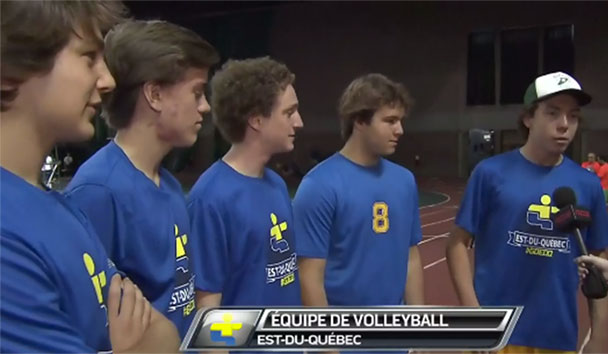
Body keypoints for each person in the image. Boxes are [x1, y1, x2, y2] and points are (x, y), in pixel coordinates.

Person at [1, 1, 179, 352]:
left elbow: (164, 334)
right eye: (88, 57)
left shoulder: (61, 208)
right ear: (12, 69)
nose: (108, 80)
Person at [64, 19, 219, 336]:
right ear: (155, 95)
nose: (205, 107)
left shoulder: (170, 184)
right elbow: (86, 324)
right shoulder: (97, 192)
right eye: (197, 92)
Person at [446, 72, 608, 353]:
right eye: (552, 113)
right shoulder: (490, 173)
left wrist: (599, 334)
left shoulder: (587, 184)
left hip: (557, 335)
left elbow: (598, 260)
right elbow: (456, 244)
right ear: (528, 118)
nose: (564, 125)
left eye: (572, 116)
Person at [293, 73, 424, 310]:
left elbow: (411, 258)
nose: (400, 130)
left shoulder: (404, 180)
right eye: (390, 121)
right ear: (360, 121)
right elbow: (309, 277)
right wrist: (327, 344)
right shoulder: (319, 185)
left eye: (400, 121)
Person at [187, 57, 303, 309]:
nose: (299, 122)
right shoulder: (210, 199)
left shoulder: (276, 184)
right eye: (289, 113)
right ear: (256, 120)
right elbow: (207, 306)